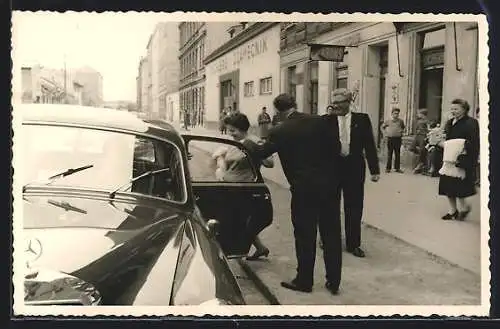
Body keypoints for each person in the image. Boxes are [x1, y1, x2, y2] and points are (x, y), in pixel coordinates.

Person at [251, 93, 343, 295]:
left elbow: (261, 153)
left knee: (305, 235)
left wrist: (246, 142)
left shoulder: (280, 130)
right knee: (331, 233)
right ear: (295, 104)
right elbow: (336, 149)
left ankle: (304, 281)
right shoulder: (320, 122)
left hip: (303, 189)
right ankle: (334, 281)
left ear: (277, 111)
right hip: (330, 187)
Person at [324, 88, 380, 258]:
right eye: (334, 103)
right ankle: (327, 239)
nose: (335, 106)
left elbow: (369, 144)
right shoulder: (326, 121)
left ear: (349, 102)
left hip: (354, 169)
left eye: (339, 103)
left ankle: (353, 244)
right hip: (331, 169)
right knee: (329, 206)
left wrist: (374, 170)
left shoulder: (362, 120)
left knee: (354, 206)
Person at [212, 113, 275, 259]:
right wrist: (221, 158)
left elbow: (269, 162)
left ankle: (230, 252)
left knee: (239, 221)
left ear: (242, 128)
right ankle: (260, 248)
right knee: (239, 220)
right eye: (229, 130)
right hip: (233, 188)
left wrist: (257, 154)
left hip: (245, 188)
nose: (230, 133)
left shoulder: (253, 142)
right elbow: (229, 162)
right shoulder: (236, 143)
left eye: (233, 130)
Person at [438, 98, 479, 221]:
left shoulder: (471, 123)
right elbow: (446, 136)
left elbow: (474, 142)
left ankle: (465, 208)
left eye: (456, 109)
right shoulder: (450, 122)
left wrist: (466, 152)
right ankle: (452, 211)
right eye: (452, 109)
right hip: (448, 159)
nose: (453, 111)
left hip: (462, 158)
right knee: (447, 186)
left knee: (460, 187)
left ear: (464, 109)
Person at [381, 108, 405, 173]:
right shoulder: (388, 121)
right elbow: (382, 127)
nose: (396, 115)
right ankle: (388, 168)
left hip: (398, 139)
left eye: (397, 113)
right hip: (390, 139)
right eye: (395, 113)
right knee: (390, 153)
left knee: (397, 153)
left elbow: (403, 128)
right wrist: (385, 133)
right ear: (392, 114)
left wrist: (401, 132)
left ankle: (397, 168)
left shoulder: (401, 121)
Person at [412, 108, 430, 174]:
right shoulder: (419, 121)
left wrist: (427, 135)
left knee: (422, 150)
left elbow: (428, 129)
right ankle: (420, 162)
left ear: (422, 114)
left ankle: (421, 164)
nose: (417, 115)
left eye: (419, 113)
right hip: (418, 136)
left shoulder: (427, 121)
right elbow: (416, 129)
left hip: (423, 136)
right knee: (412, 148)